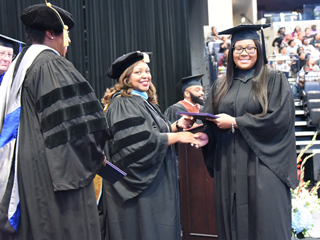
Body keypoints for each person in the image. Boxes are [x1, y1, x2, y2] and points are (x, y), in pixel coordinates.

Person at [0, 3, 108, 240]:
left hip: (25, 170)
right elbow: (74, 128)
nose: (67, 42)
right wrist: (96, 154)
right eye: (66, 33)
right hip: (55, 176)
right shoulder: (51, 65)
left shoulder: (18, 67)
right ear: (51, 33)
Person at [194, 24, 298, 240]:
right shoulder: (221, 85)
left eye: (250, 48)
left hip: (263, 165)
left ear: (259, 51)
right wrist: (206, 135)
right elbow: (211, 120)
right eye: (238, 49)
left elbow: (280, 119)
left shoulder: (274, 79)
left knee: (266, 225)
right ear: (230, 52)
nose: (244, 53)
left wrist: (236, 122)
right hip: (229, 167)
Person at [99, 51, 201, 240]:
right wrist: (178, 138)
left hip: (154, 181)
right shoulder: (123, 104)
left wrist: (176, 127)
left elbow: (149, 133)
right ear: (126, 78)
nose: (145, 75)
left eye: (147, 71)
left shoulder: (141, 102)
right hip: (139, 189)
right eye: (138, 72)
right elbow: (136, 144)